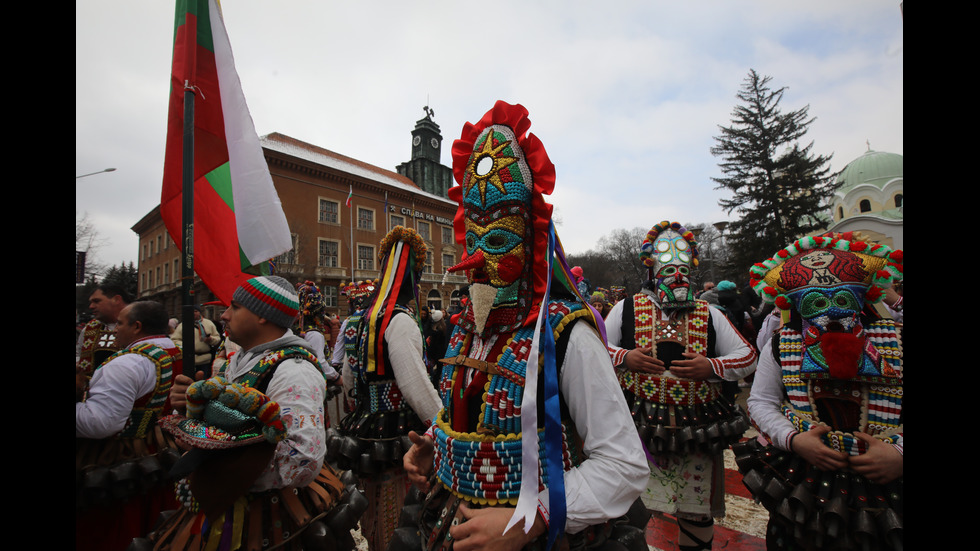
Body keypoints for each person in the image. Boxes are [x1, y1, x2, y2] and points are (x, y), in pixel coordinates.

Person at [392, 101, 649, 551]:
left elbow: (624, 465)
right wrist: (438, 443)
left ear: (530, 240)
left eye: (495, 241)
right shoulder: (467, 329)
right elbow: (475, 410)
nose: (472, 262)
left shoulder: (567, 334)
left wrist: (532, 518)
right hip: (453, 522)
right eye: (471, 241)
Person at [137, 276, 364, 550]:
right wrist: (192, 410)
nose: (224, 315)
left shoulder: (294, 370)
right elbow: (233, 424)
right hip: (229, 511)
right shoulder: (244, 359)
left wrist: (210, 457)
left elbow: (302, 459)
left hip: (267, 521)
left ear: (262, 316)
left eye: (235, 307)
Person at [738, 232, 903, 551]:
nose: (833, 314)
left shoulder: (895, 341)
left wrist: (898, 453)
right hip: (806, 475)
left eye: (843, 299)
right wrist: (794, 439)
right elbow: (761, 402)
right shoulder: (782, 344)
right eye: (817, 302)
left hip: (889, 480)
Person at [604, 220, 758, 551]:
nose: (677, 277)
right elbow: (597, 348)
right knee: (633, 509)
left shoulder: (709, 313)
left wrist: (712, 366)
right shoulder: (626, 308)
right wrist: (626, 358)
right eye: (669, 269)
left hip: (697, 426)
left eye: (683, 270)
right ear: (653, 271)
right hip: (639, 425)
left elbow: (748, 357)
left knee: (696, 509)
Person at [326, 226, 442, 551]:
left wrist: (362, 406)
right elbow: (414, 384)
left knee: (371, 506)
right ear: (413, 279)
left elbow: (349, 382)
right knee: (400, 513)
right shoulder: (400, 320)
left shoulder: (355, 323)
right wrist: (443, 425)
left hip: (365, 427)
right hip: (398, 430)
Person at [76, 300, 181, 551]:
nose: (115, 330)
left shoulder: (128, 363)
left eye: (120, 324)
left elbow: (102, 422)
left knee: (113, 532)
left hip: (119, 461)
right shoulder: (173, 352)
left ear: (137, 326)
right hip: (156, 455)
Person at [76, 282, 132, 378]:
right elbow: (78, 355)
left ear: (116, 299)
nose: (91, 306)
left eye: (96, 301)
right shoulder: (90, 328)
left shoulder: (139, 326)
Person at [170, 305, 221, 378]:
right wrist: (187, 345)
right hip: (189, 360)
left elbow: (217, 338)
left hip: (205, 360)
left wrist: (210, 339)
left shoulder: (209, 323)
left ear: (200, 312)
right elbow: (174, 340)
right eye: (192, 311)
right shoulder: (183, 325)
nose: (194, 313)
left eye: (196, 311)